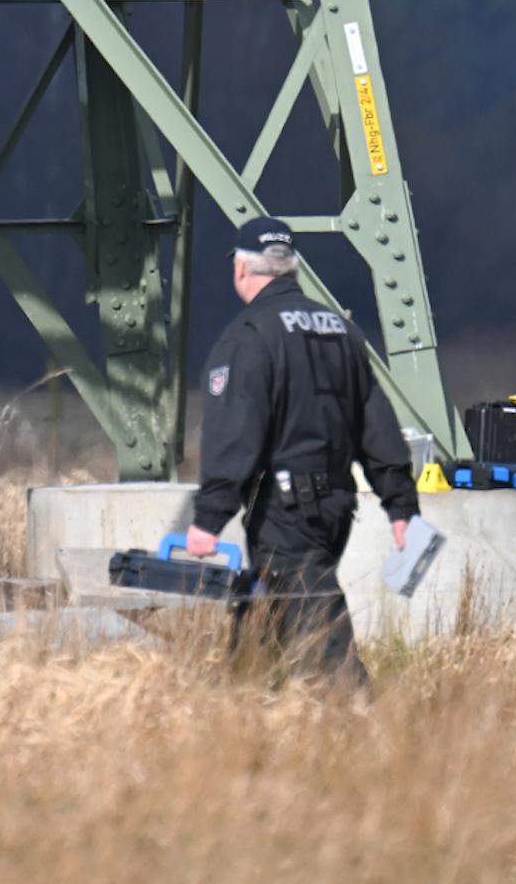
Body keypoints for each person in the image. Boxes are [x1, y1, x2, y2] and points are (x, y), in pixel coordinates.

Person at [184, 217, 424, 683]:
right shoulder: (342, 331)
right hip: (336, 509)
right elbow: (377, 425)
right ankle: (247, 718)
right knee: (264, 626)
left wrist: (208, 518)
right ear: (291, 269)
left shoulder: (249, 337)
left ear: (241, 270)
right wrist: (400, 505)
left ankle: (367, 730)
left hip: (284, 511)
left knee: (323, 639)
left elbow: (235, 435)